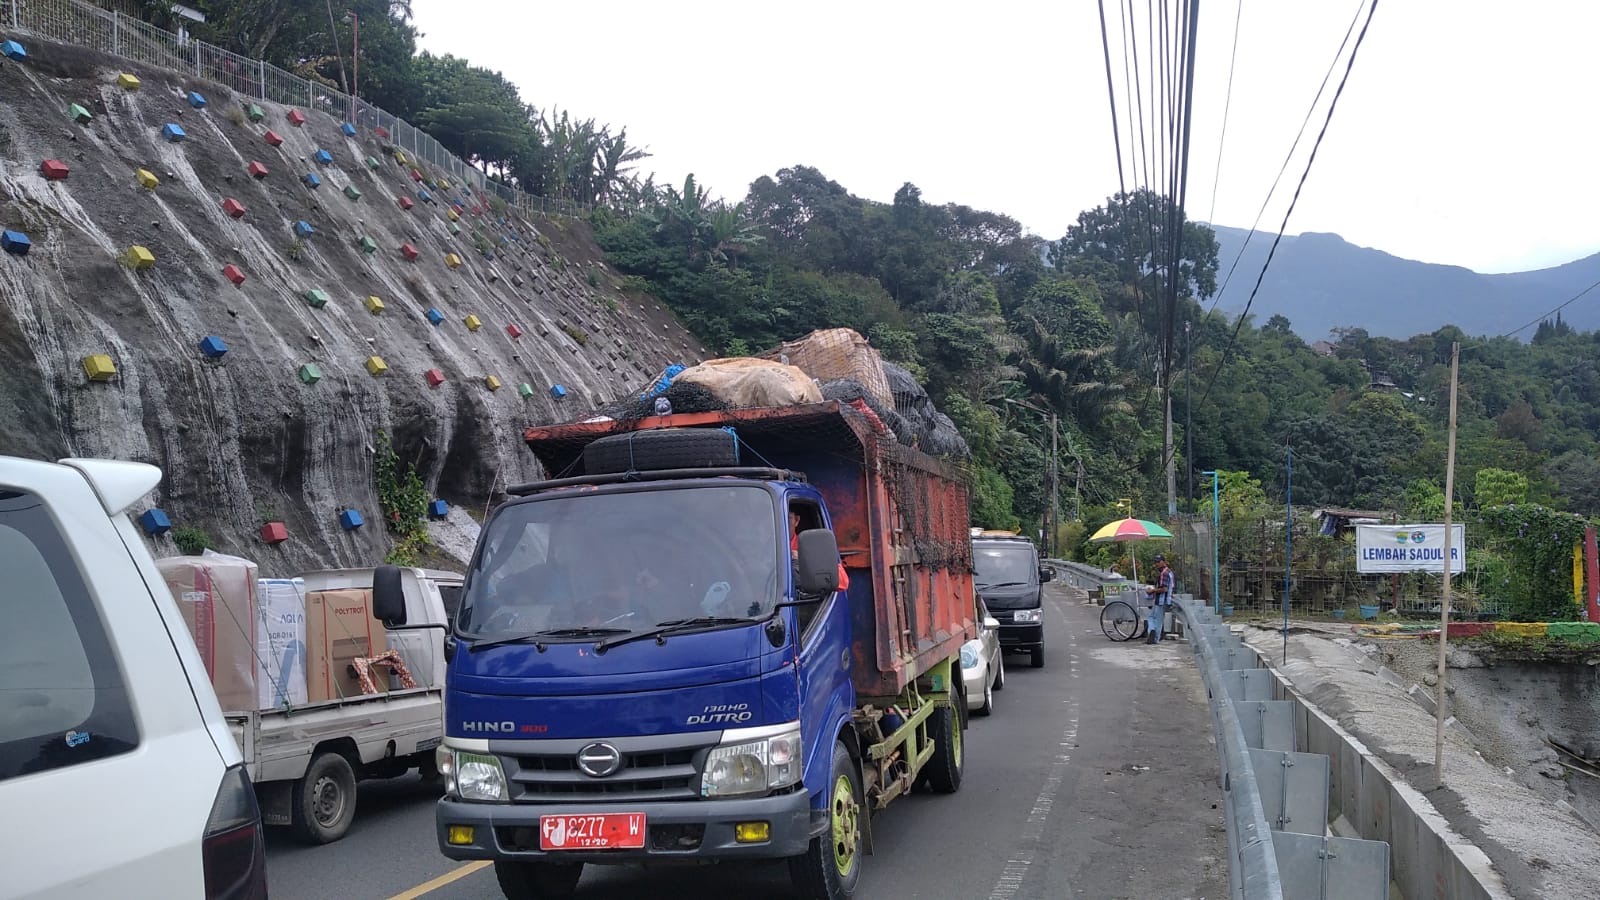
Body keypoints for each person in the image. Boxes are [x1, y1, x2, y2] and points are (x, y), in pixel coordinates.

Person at [790, 509, 849, 592]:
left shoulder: (812, 546)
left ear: (796, 520)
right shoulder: (766, 549)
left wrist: (804, 560)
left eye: (788, 518)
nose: (782, 525)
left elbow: (843, 582)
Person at [1145, 554, 1175, 644]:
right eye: (1155, 562)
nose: (1156, 564)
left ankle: (1154, 635)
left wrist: (1152, 591)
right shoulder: (1169, 572)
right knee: (1156, 618)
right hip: (1167, 600)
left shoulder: (1163, 573)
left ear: (1163, 562)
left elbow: (1164, 589)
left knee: (1155, 618)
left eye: (1158, 562)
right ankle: (1154, 634)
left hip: (1161, 600)